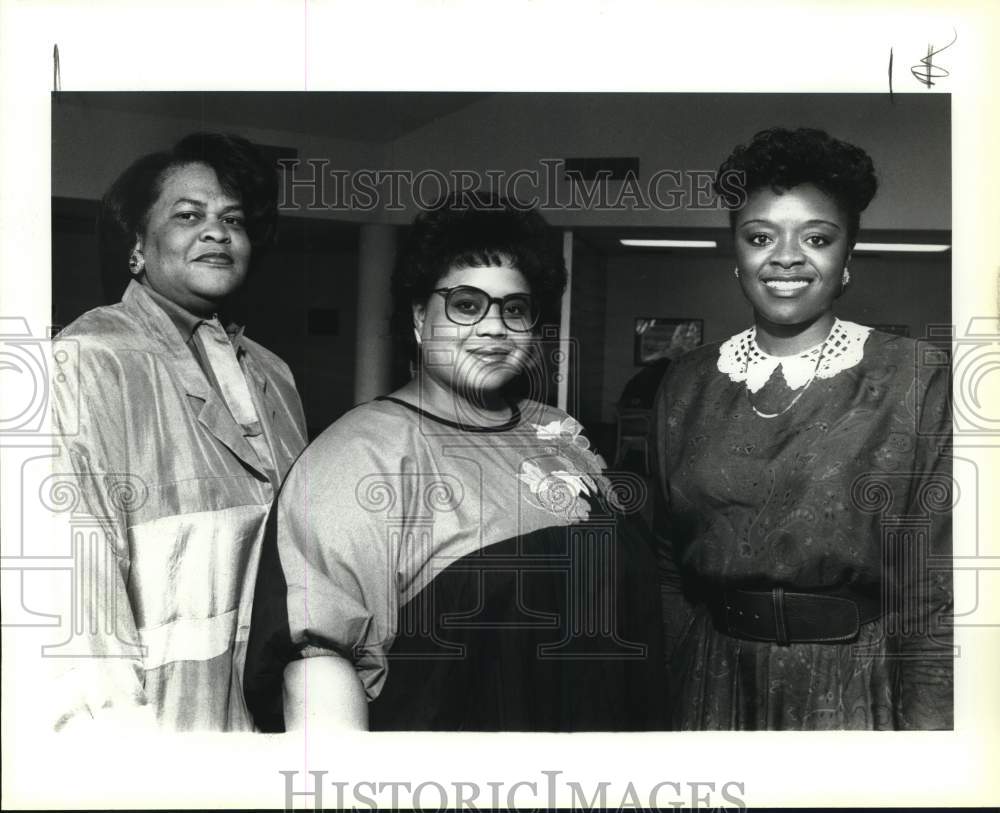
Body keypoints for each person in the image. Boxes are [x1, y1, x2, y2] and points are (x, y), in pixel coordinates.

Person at [244, 200, 665, 732]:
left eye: (515, 308)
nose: (494, 328)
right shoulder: (360, 455)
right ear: (420, 318)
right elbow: (319, 663)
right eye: (467, 305)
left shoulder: (558, 431)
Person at [653, 128, 952, 730]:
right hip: (712, 683)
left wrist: (931, 736)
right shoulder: (687, 383)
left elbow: (935, 581)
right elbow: (666, 563)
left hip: (855, 685)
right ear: (735, 253)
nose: (786, 257)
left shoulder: (912, 376)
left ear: (847, 258)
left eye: (817, 238)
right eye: (760, 237)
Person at [50, 132, 308, 731]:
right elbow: (77, 601)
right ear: (137, 247)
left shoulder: (275, 374)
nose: (217, 232)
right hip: (152, 726)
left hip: (263, 713)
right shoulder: (87, 361)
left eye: (233, 220)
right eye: (189, 215)